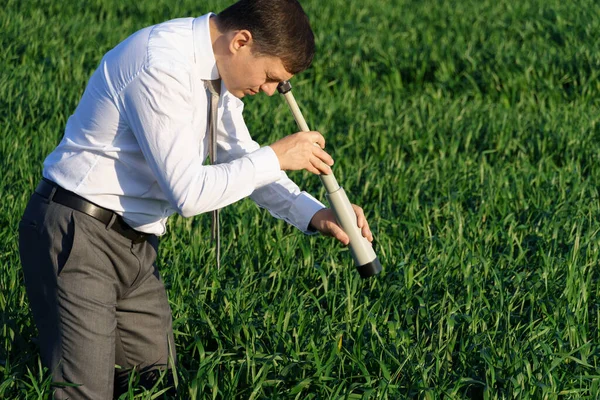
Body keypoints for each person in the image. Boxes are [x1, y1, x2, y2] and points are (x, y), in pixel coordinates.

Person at [18, 0, 373, 398]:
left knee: (154, 387)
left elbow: (241, 161)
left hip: (137, 246)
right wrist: (276, 155)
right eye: (272, 77)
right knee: (86, 392)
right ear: (241, 41)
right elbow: (188, 193)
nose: (272, 91)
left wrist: (317, 214)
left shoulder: (216, 73)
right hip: (78, 235)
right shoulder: (162, 65)